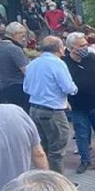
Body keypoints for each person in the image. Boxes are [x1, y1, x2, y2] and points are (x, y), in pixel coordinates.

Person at [23, 36, 77, 175]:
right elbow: (67, 87)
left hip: (34, 109)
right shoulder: (57, 63)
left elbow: (26, 88)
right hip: (53, 111)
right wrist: (74, 89)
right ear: (60, 48)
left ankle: (44, 178)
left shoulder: (33, 64)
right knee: (57, 150)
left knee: (43, 148)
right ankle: (58, 183)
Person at [63, 32, 95, 173]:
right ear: (71, 48)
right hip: (77, 106)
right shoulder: (64, 63)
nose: (86, 47)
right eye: (82, 46)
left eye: (86, 45)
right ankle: (85, 160)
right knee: (82, 134)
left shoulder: (92, 57)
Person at [0, 22, 30, 109]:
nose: (23, 39)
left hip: (4, 86)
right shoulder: (14, 49)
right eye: (22, 36)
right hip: (19, 87)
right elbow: (26, 71)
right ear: (15, 34)